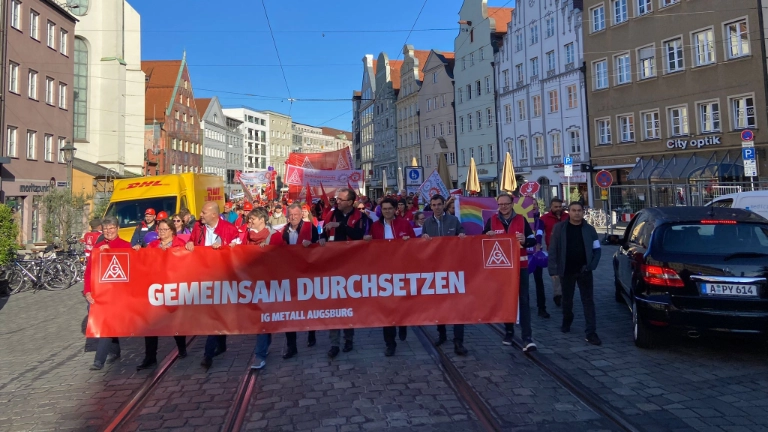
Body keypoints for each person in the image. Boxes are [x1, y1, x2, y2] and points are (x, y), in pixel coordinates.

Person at [185, 202, 242, 369]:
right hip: (204, 278)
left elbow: (239, 251)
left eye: (203, 212)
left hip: (223, 278)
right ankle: (221, 345)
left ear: (214, 215)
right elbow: (191, 241)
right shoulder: (197, 227)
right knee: (214, 314)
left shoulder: (229, 229)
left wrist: (227, 248)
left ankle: (208, 354)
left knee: (215, 314)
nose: (200, 215)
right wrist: (189, 244)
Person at [483, 193, 538, 352]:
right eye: (500, 204)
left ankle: (527, 337)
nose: (503, 207)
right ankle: (508, 332)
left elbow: (532, 240)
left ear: (512, 204)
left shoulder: (521, 219)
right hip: (501, 269)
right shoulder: (492, 221)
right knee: (506, 300)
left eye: (506, 204)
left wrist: (524, 241)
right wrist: (487, 235)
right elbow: (481, 240)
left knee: (524, 300)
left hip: (520, 267)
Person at [322, 187, 370, 358]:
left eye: (341, 199)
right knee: (334, 306)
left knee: (348, 306)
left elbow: (360, 235)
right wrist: (321, 239)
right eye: (336, 199)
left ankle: (348, 339)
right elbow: (324, 233)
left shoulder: (360, 217)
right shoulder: (331, 214)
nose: (337, 201)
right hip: (333, 267)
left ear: (350, 202)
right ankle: (334, 343)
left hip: (352, 268)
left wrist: (341, 226)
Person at [365, 197, 415, 356]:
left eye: (390, 208)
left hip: (401, 271)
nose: (387, 211)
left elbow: (415, 245)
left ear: (395, 210)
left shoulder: (404, 224)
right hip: (383, 274)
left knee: (401, 304)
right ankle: (390, 343)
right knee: (387, 309)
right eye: (384, 209)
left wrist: (408, 241)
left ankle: (403, 323)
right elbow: (369, 250)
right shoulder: (374, 226)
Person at [547, 202, 602, 346]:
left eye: (579, 210)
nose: (577, 213)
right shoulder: (559, 228)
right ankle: (567, 320)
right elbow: (553, 249)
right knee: (567, 300)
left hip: (585, 270)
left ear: (583, 212)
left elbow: (597, 249)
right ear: (569, 212)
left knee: (588, 301)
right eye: (574, 210)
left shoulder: (589, 229)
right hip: (566, 270)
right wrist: (553, 270)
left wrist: (591, 265)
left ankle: (591, 332)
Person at [276, 204, 324, 364]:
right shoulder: (282, 231)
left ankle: (311, 332)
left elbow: (321, 246)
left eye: (296, 214)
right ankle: (291, 346)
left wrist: (312, 245)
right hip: (288, 276)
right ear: (287, 216)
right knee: (288, 311)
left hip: (307, 275)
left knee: (309, 308)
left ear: (301, 215)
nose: (293, 217)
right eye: (291, 215)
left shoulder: (311, 228)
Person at [137, 219, 188, 370]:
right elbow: (143, 262)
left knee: (174, 320)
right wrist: (138, 250)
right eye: (160, 230)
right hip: (156, 287)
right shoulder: (153, 245)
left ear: (172, 231)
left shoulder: (180, 244)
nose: (162, 233)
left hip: (173, 286)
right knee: (151, 323)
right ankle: (150, 356)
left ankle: (182, 348)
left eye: (165, 230)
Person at [422, 194, 468, 355]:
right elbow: (421, 245)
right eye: (433, 205)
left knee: (457, 307)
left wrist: (462, 236)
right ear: (431, 206)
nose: (437, 207)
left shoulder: (454, 221)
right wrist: (423, 238)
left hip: (453, 269)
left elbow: (464, 236)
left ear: (444, 205)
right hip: (435, 270)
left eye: (439, 204)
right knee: (439, 305)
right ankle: (442, 334)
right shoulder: (427, 223)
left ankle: (458, 341)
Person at [83, 217, 132, 370]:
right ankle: (115, 350)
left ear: (117, 228)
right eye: (105, 229)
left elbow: (131, 270)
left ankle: (99, 360)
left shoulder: (126, 246)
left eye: (111, 228)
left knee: (107, 323)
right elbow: (89, 272)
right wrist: (87, 291)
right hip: (101, 294)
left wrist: (110, 253)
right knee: (107, 322)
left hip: (119, 295)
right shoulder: (97, 247)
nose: (108, 231)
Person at [541, 198, 569, 307]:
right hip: (553, 250)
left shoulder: (567, 216)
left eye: (560, 206)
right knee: (556, 274)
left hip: (568, 249)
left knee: (567, 273)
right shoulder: (544, 218)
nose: (558, 209)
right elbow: (539, 231)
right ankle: (558, 294)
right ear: (551, 207)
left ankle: (566, 294)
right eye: (556, 207)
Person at [528, 201, 549, 319]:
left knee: (539, 281)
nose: (533, 205)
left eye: (535, 204)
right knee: (522, 282)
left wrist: (538, 244)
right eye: (531, 204)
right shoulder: (521, 220)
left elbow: (540, 234)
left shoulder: (539, 222)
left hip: (536, 254)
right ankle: (523, 306)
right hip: (523, 254)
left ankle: (542, 308)